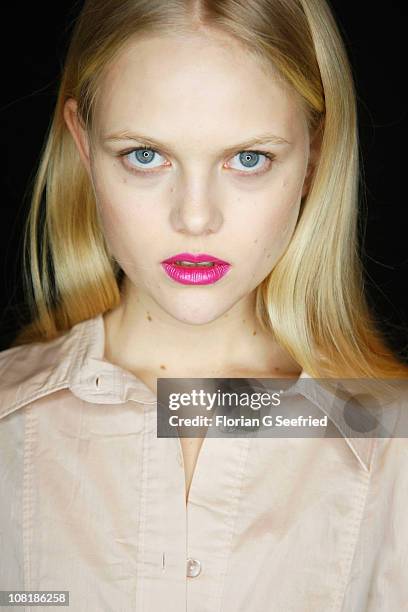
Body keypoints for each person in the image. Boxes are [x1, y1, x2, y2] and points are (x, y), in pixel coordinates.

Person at [0, 0, 407, 610]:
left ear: (315, 153)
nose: (195, 218)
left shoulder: (393, 448)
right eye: (145, 155)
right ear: (82, 142)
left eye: (249, 159)